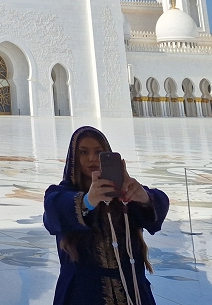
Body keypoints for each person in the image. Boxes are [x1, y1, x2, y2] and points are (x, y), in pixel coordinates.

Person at [44, 126, 169, 305]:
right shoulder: (62, 195)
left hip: (132, 292)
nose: (92, 158)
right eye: (83, 152)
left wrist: (145, 198)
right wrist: (88, 201)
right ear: (74, 157)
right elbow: (54, 213)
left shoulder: (125, 195)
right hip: (82, 295)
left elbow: (158, 206)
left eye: (98, 152)